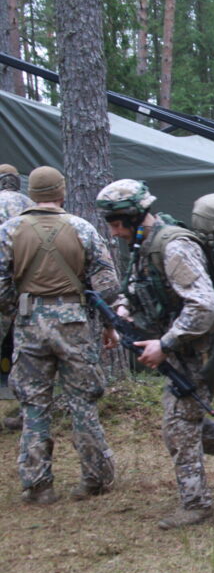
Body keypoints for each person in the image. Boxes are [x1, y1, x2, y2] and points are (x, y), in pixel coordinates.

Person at [95, 179, 214, 530]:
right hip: (181, 347)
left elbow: (203, 306)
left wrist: (164, 344)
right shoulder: (144, 244)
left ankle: (196, 503)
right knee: (184, 423)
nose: (113, 231)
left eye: (115, 222)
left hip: (200, 349)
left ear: (133, 216)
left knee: (180, 426)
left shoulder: (174, 246)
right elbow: (140, 291)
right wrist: (123, 311)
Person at [0, 166, 119, 504]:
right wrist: (107, 321)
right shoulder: (82, 228)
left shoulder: (9, 230)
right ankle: (95, 478)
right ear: (61, 192)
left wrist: (18, 306)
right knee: (83, 403)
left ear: (32, 193)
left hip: (29, 325)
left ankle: (38, 486)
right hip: (74, 323)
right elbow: (107, 282)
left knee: (34, 405)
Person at [0, 164, 35, 419]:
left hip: (2, 286)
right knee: (25, 352)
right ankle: (26, 411)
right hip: (28, 290)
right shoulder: (31, 204)